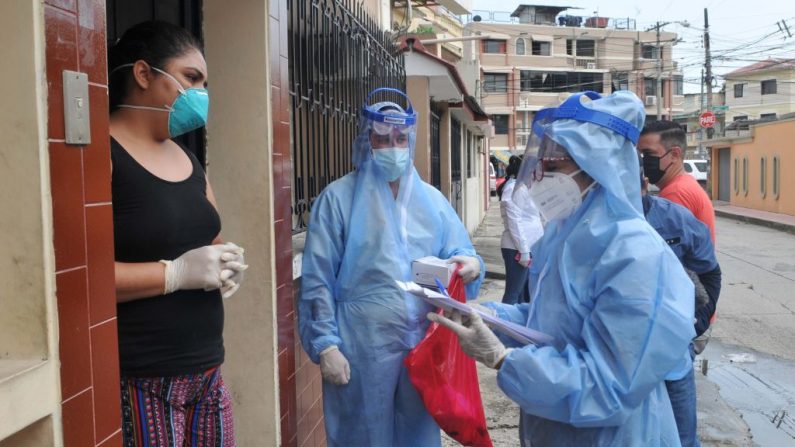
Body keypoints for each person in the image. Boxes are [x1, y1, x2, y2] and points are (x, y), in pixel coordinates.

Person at [429, 91, 695, 446]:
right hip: (554, 429)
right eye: (543, 163)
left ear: (597, 165)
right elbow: (550, 319)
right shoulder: (565, 233)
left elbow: (609, 387)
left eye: (554, 165)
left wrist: (505, 360)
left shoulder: (634, 253)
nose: (541, 176)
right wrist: (488, 316)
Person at [298, 88, 484, 447]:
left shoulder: (432, 201)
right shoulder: (337, 200)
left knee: (418, 434)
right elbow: (317, 279)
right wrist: (326, 346)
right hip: (360, 347)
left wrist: (471, 263)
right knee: (363, 436)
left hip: (423, 345)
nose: (392, 146)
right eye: (382, 138)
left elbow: (459, 248)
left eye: (400, 138)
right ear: (367, 140)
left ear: (410, 140)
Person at [108, 21, 247, 447]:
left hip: (207, 371)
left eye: (204, 83)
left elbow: (212, 236)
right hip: (143, 379)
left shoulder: (189, 160)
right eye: (190, 78)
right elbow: (80, 276)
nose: (201, 94)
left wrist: (226, 262)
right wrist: (175, 274)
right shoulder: (102, 155)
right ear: (144, 74)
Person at [641, 171, 722, 447]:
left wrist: (693, 326)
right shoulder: (592, 226)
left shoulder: (673, 214)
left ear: (642, 182)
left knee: (682, 435)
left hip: (673, 355)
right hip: (624, 358)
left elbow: (710, 272)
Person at [638, 120, 716, 242]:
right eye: (640, 154)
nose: (643, 160)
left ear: (674, 154)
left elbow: (668, 250)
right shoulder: (685, 183)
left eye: (648, 153)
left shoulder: (675, 193)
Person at [497, 155, 543, 304]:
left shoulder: (525, 187)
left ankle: (518, 327)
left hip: (528, 246)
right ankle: (503, 326)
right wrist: (523, 250)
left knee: (524, 294)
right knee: (513, 293)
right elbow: (514, 221)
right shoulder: (513, 188)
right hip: (517, 248)